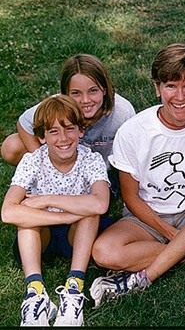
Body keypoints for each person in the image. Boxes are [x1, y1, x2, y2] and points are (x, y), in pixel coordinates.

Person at [89, 43, 185, 308]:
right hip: (149, 216)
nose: (180, 96)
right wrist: (173, 235)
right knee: (103, 252)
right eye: (171, 86)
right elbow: (130, 196)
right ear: (157, 88)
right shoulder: (133, 131)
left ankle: (143, 277)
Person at [1, 95, 111, 326]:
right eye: (53, 131)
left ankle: (74, 289)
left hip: (78, 237)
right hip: (42, 237)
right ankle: (36, 293)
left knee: (91, 211)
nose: (63, 138)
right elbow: (7, 213)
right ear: (41, 137)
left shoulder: (90, 160)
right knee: (26, 218)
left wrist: (46, 199)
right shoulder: (32, 160)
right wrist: (66, 214)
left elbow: (101, 204)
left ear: (81, 131)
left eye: (70, 129)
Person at [0, 53, 136, 195]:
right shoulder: (57, 106)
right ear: (65, 94)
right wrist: (43, 164)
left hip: (102, 170)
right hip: (63, 159)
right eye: (76, 93)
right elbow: (24, 122)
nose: (85, 100)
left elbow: (133, 153)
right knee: (11, 145)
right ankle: (44, 177)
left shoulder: (123, 112)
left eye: (93, 91)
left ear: (105, 89)